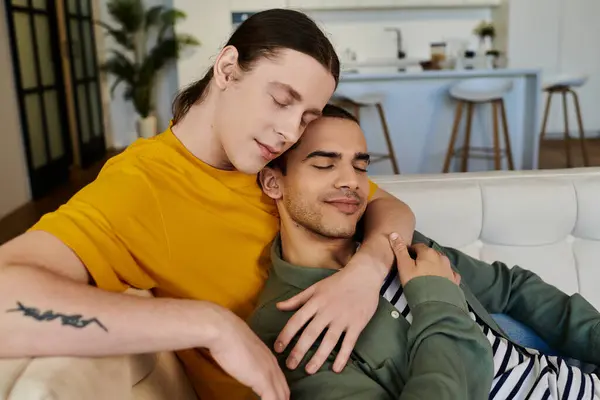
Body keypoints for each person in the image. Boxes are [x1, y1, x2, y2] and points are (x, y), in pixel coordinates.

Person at [0, 9, 417, 400]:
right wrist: (211, 325)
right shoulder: (144, 185)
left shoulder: (276, 162)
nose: (291, 131)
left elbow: (391, 207)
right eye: (281, 99)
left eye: (308, 116)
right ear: (227, 68)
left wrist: (366, 271)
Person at [250, 104, 600, 399]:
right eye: (324, 164)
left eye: (360, 166)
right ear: (272, 182)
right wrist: (437, 301)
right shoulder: (287, 327)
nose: (352, 182)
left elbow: (511, 286)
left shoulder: (392, 239)